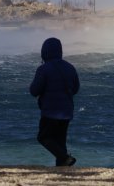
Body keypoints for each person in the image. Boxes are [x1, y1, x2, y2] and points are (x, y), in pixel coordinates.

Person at [30, 37, 80, 166]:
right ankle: (62, 171)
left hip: (50, 111)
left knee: (43, 137)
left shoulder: (43, 69)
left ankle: (65, 158)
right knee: (60, 142)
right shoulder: (70, 67)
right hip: (67, 111)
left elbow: (34, 90)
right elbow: (76, 88)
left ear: (44, 52)